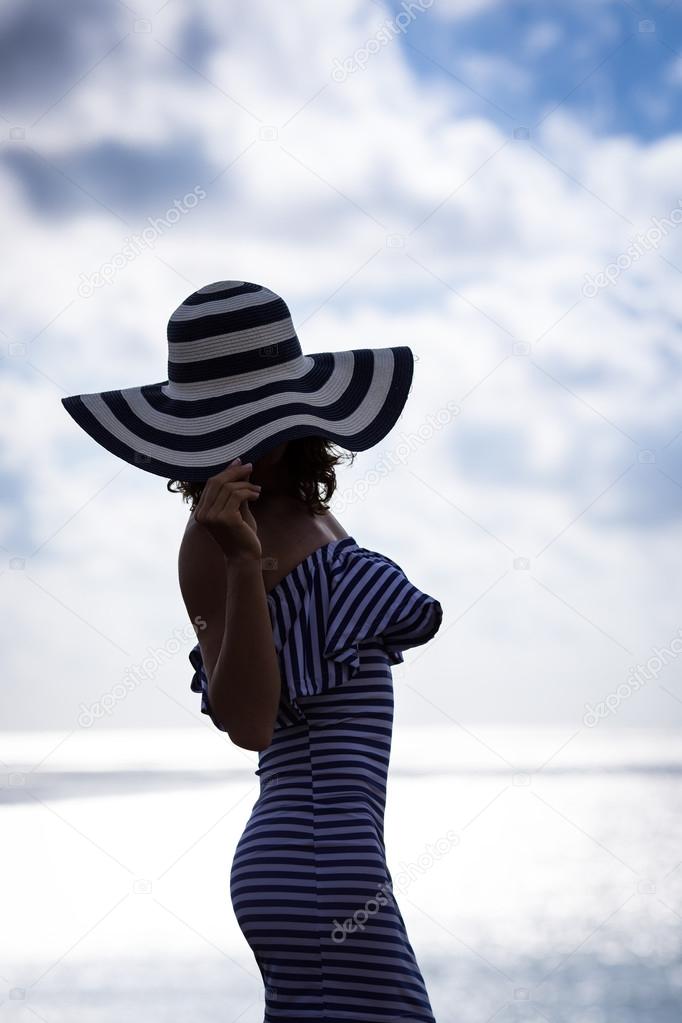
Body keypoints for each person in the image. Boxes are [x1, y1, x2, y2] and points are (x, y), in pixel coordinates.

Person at [62, 280, 444, 1021]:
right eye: (222, 426)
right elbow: (249, 723)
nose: (243, 442)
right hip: (313, 860)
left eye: (258, 419)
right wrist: (241, 562)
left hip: (336, 856)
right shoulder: (213, 542)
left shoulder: (309, 510)